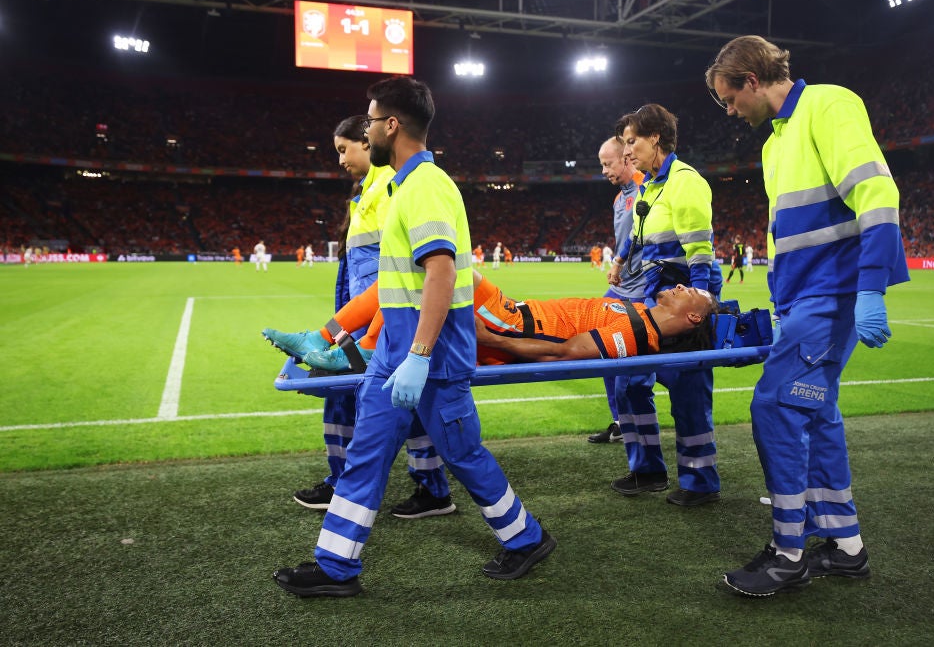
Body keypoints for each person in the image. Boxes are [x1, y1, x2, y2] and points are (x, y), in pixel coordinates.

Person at [273, 76, 555, 598]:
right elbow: (400, 286)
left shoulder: (424, 186)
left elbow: (442, 273)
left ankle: (525, 538)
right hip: (396, 357)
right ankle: (336, 567)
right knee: (366, 455)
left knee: (464, 455)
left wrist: (420, 356)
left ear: (392, 125)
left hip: (432, 359)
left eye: (373, 120)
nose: (370, 129)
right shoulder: (406, 186)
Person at [706, 35, 909, 596]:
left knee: (774, 407)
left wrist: (871, 289)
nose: (729, 111)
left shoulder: (828, 104)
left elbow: (877, 191)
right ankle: (845, 547)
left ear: (751, 80)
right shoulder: (775, 143)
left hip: (831, 295)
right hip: (804, 298)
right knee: (816, 415)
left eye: (729, 98)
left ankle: (788, 552)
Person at [286, 114, 454, 521]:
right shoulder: (369, 190)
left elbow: (398, 268)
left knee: (377, 397)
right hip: (366, 316)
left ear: (368, 140)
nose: (341, 159)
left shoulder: (390, 186)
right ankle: (421, 486)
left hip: (381, 318)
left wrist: (368, 330)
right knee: (389, 399)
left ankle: (361, 485)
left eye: (345, 149)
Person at [606, 104, 724, 508]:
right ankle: (649, 470)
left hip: (685, 294)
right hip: (654, 295)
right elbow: (639, 234)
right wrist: (620, 259)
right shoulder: (651, 186)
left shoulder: (685, 182)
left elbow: (701, 255)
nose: (626, 151)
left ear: (656, 137)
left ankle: (700, 481)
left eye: (632, 141)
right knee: (629, 381)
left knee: (688, 391)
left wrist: (701, 309)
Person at [265, 270, 724, 372]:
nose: (680, 286)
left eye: (690, 292)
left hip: (510, 324)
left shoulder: (634, 333)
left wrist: (488, 338)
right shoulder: (640, 312)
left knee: (437, 269)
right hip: (513, 316)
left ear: (690, 316)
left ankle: (357, 352)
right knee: (409, 274)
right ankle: (331, 340)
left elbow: (561, 353)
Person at [589, 137, 646, 444]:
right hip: (623, 287)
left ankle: (631, 421)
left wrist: (620, 262)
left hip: (642, 288)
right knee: (600, 338)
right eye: (601, 165)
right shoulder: (618, 199)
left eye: (607, 163)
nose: (604, 171)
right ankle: (619, 421)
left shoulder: (645, 189)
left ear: (626, 158)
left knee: (626, 356)